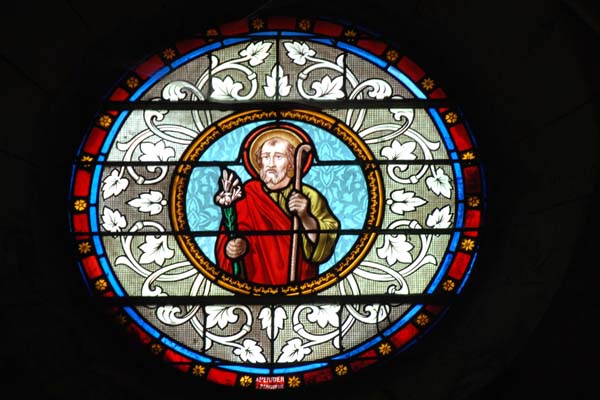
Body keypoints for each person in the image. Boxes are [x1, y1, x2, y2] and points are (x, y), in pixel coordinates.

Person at [215, 125, 340, 285]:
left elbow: (327, 239)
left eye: (279, 157)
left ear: (291, 163)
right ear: (259, 162)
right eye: (266, 157)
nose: (271, 164)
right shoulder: (247, 195)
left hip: (299, 281)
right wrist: (232, 248)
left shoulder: (308, 195)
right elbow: (228, 235)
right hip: (255, 282)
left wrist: (305, 216)